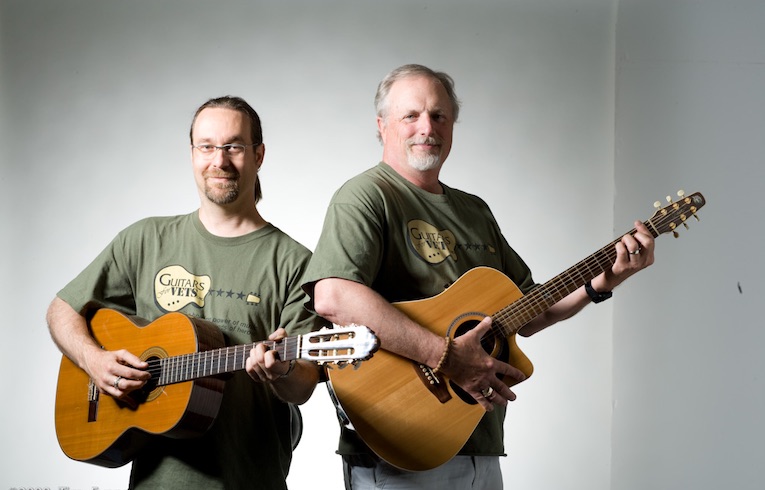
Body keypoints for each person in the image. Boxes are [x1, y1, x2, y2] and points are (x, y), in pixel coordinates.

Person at [302, 64, 655, 489]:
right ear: (382, 125)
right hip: (401, 443)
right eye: (410, 115)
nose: (427, 127)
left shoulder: (474, 211)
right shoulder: (367, 195)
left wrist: (603, 282)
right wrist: (447, 357)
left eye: (439, 116)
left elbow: (529, 308)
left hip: (476, 435)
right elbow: (334, 297)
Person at [47, 96, 324, 489]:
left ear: (258, 155)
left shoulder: (295, 262)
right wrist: (94, 361)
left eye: (234, 146)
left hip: (249, 478)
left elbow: (304, 384)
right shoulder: (145, 241)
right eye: (207, 146)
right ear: (192, 153)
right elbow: (62, 310)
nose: (219, 160)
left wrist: (281, 371)